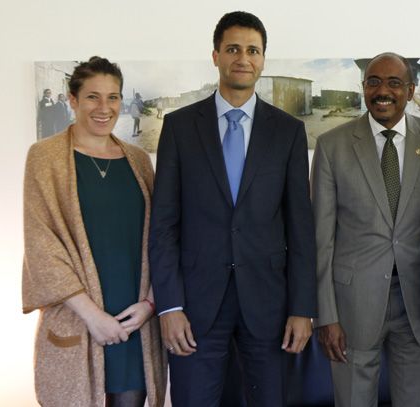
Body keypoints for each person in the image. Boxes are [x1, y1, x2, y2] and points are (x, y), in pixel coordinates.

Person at [149, 11, 317, 407]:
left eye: (253, 50)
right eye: (234, 49)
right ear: (216, 56)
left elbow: (300, 228)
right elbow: (163, 226)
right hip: (194, 305)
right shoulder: (179, 127)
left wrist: (302, 308)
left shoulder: (288, 131)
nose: (244, 58)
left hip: (268, 304)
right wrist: (169, 306)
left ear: (262, 59)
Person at [22, 56, 166, 407]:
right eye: (92, 97)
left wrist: (150, 304)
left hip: (133, 323)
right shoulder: (45, 157)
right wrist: (92, 315)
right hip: (78, 319)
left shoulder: (138, 160)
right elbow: (41, 243)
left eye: (113, 97)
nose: (104, 108)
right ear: (72, 100)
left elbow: (160, 237)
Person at [312, 52, 420, 407]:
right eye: (373, 82)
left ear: (411, 90)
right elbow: (321, 240)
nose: (382, 91)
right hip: (353, 303)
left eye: (393, 83)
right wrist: (326, 315)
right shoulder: (331, 146)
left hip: (417, 302)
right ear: (363, 88)